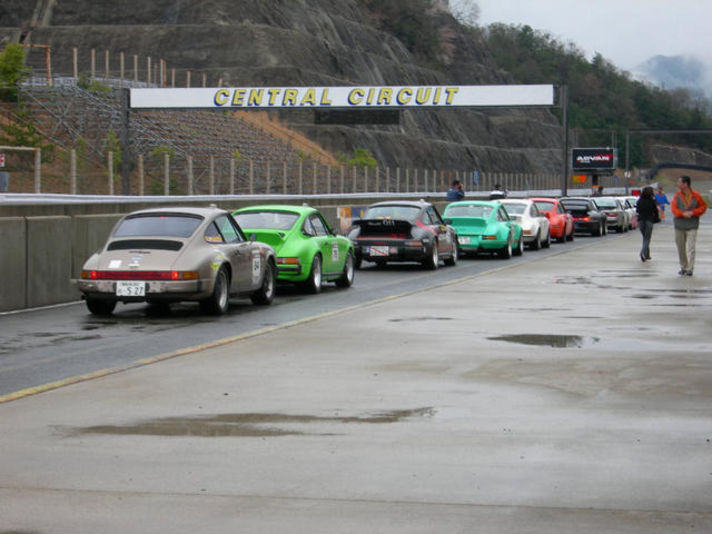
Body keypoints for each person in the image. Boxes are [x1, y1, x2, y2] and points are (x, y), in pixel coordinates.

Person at [670, 175, 707, 276]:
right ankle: (684, 266)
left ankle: (690, 268)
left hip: (692, 225)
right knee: (680, 248)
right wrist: (682, 214)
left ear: (685, 184)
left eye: (679, 182)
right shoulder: (677, 196)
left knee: (691, 248)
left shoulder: (696, 195)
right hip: (679, 226)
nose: (677, 184)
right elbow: (673, 208)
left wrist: (694, 212)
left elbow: (703, 207)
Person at [635, 186, 658, 262]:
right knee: (647, 238)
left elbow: (637, 210)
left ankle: (647, 254)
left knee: (645, 237)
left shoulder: (639, 201)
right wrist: (656, 219)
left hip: (641, 220)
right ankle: (642, 253)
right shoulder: (652, 201)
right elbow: (655, 211)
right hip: (649, 220)